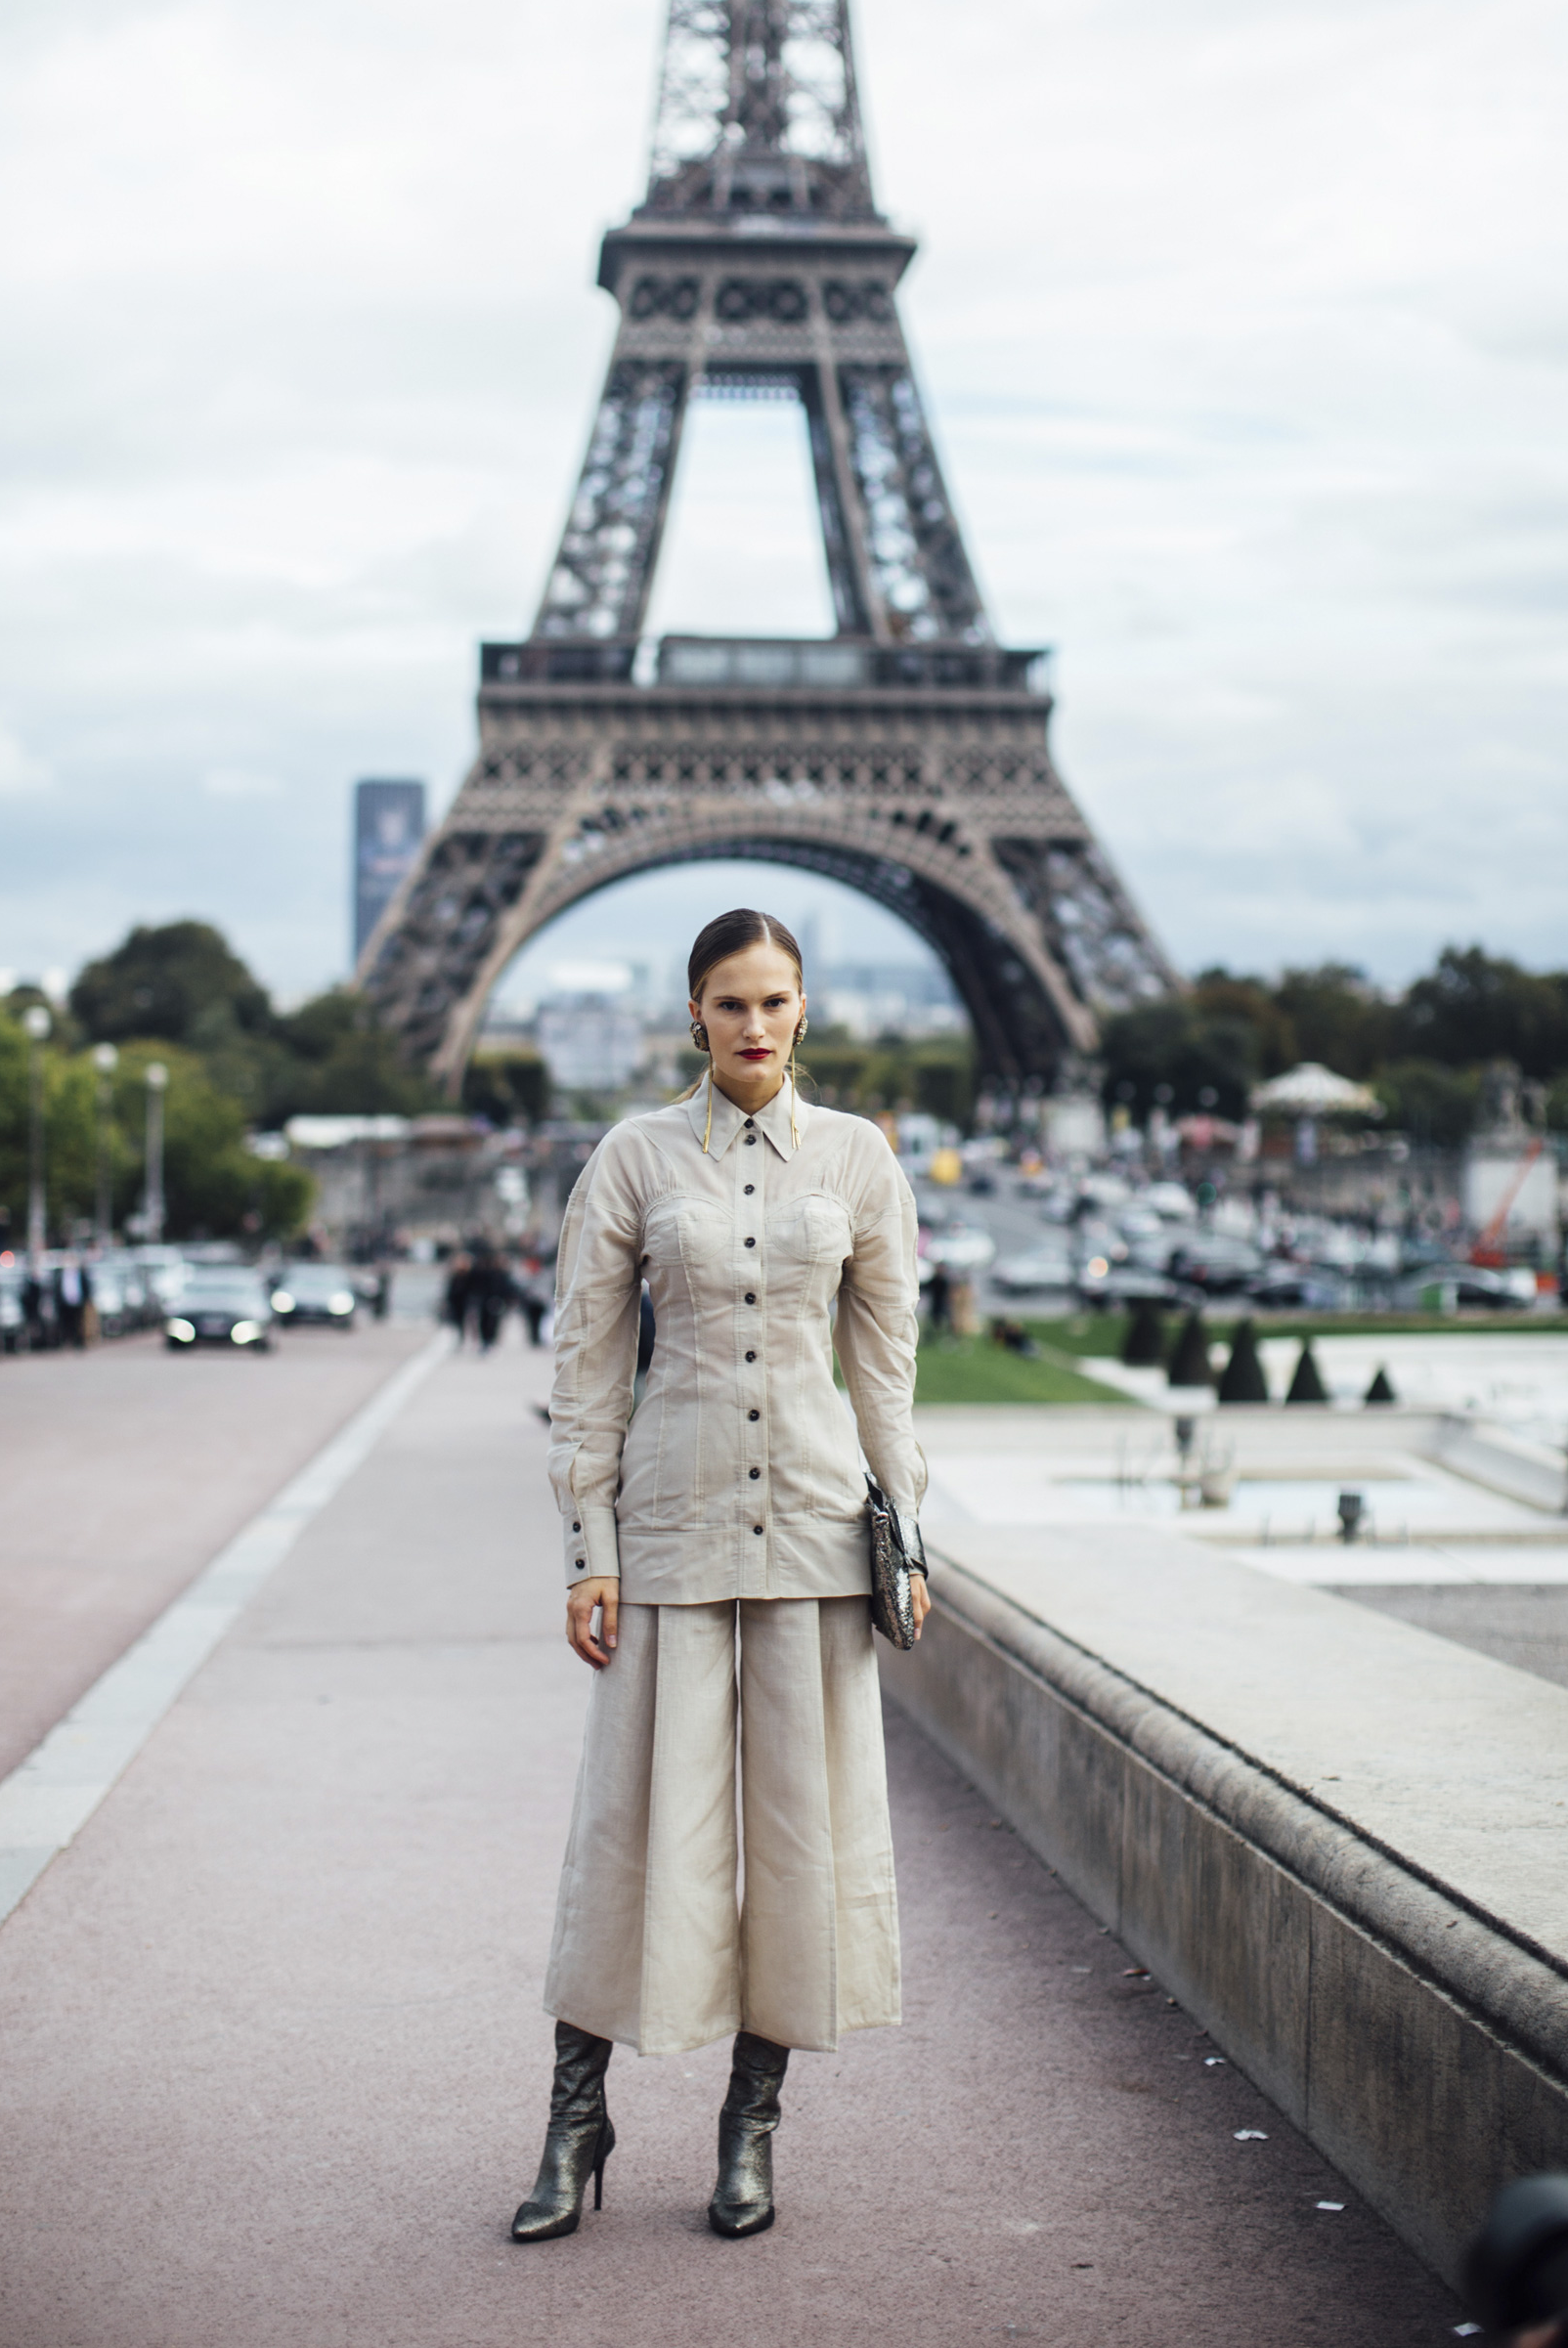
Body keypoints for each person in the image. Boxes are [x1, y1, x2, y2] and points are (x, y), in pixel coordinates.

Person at [511, 908, 930, 2247]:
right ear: (693, 1012)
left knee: (802, 1848)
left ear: (806, 1010)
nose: (755, 1024)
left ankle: (751, 2128)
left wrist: (907, 1533)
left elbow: (884, 1369)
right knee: (630, 1835)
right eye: (731, 1002)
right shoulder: (632, 1158)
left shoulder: (859, 1159)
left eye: (775, 1000)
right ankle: (575, 2120)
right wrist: (588, 1552)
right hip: (674, 1529)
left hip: (813, 1526)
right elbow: (587, 1365)